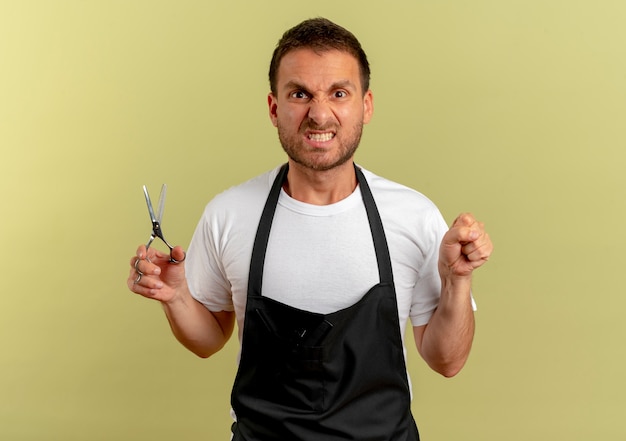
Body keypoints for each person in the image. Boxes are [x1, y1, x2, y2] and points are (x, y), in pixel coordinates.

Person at [128, 17, 493, 441]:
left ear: (366, 105)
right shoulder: (229, 214)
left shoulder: (413, 216)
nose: (319, 114)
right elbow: (209, 339)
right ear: (274, 107)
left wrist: (458, 282)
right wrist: (175, 297)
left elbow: (446, 361)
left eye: (339, 93)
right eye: (299, 93)